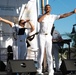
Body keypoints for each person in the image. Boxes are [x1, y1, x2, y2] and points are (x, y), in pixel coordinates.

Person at [37, 4, 76, 75]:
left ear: (51, 9)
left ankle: (51, 71)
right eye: (46, 8)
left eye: (49, 8)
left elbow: (63, 15)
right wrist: (45, 14)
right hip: (41, 35)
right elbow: (39, 20)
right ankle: (39, 70)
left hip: (48, 35)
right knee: (41, 52)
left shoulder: (53, 16)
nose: (48, 9)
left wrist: (72, 12)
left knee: (49, 53)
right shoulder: (40, 15)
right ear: (45, 9)